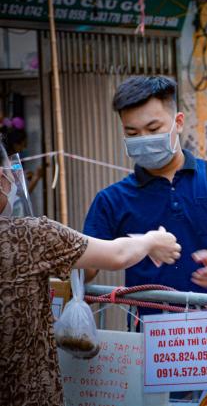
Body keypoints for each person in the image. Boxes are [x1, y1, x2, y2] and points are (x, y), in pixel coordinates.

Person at [82, 76, 207, 350]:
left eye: (153, 128)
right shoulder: (112, 200)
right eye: (132, 133)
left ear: (178, 122)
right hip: (151, 350)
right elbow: (85, 269)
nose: (144, 140)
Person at [0, 141, 181, 406]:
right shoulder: (28, 236)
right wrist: (151, 241)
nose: (10, 180)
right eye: (6, 174)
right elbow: (116, 255)